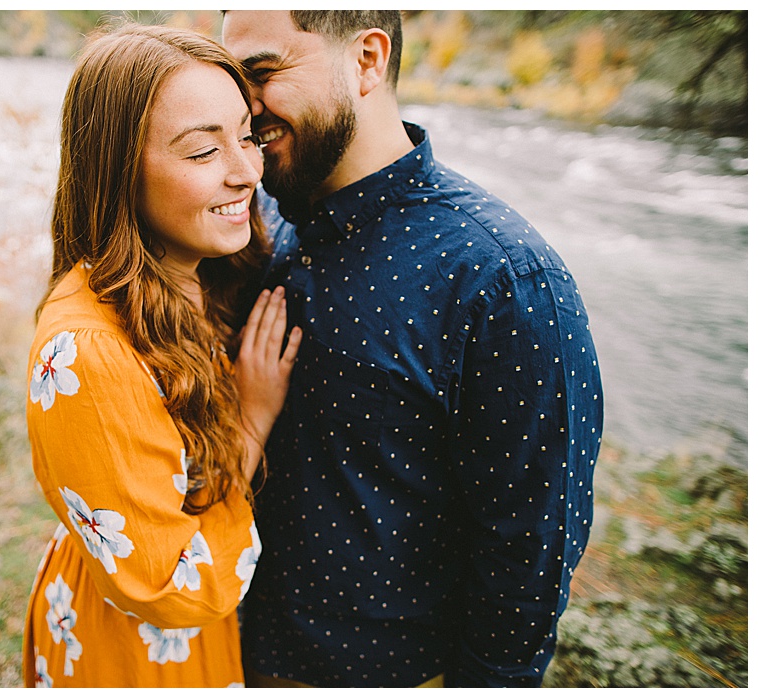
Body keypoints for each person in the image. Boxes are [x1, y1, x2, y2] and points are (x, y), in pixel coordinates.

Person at [221, 10, 603, 687]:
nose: (243, 110)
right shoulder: (264, 218)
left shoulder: (500, 279)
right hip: (226, 653)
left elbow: (528, 562)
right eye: (232, 78)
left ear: (368, 60)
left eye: (262, 73)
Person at [21, 24, 302, 688]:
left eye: (246, 135)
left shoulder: (189, 271)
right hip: (133, 655)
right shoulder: (86, 352)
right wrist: (252, 421)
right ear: (118, 169)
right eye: (204, 151)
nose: (246, 171)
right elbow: (173, 587)